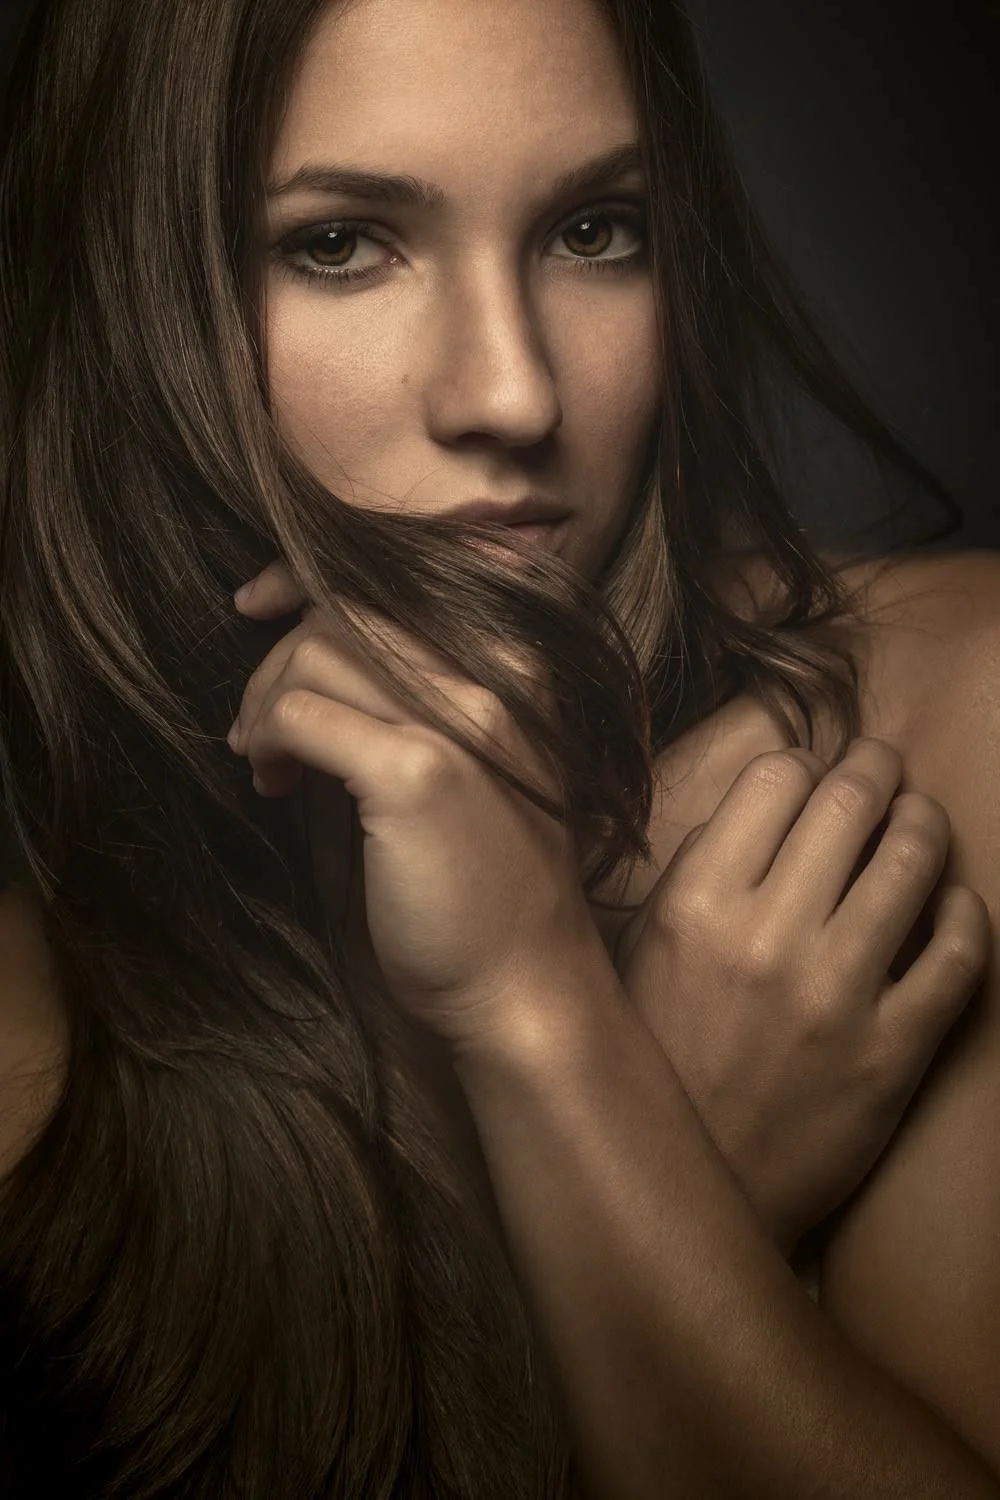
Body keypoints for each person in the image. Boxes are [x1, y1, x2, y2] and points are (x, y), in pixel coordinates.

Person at [0, 0, 997, 1496]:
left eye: (596, 231)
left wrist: (535, 1004)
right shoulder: (33, 995)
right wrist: (670, 1150)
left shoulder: (935, 717)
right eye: (340, 244)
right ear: (130, 287)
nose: (514, 394)